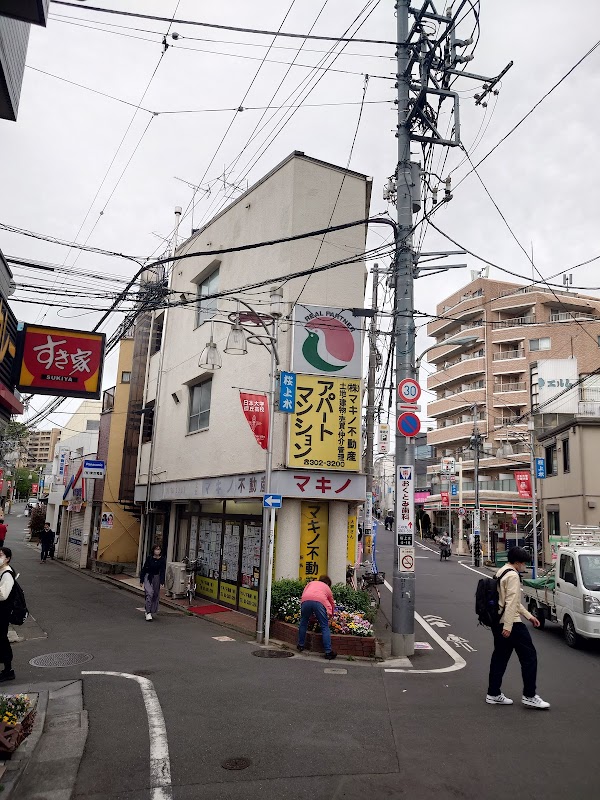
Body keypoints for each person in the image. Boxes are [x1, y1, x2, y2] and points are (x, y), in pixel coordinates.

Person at [486, 546, 550, 709]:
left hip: (498, 621)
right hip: (511, 624)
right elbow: (512, 601)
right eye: (523, 563)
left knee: (499, 658)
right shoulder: (513, 575)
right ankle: (529, 695)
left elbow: (511, 601)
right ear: (517, 562)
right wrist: (508, 626)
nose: (525, 566)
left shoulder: (502, 571)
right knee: (529, 657)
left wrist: (529, 616)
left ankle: (493, 693)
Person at [297, 575, 337, 660]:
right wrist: (331, 614)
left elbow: (304, 594)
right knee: (324, 626)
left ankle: (300, 645)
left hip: (305, 600)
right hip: (320, 602)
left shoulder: (311, 583)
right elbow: (331, 603)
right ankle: (328, 652)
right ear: (327, 583)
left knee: (303, 622)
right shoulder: (326, 587)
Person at [0, 547, 15, 682]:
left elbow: (3, 595)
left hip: (2, 614)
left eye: (0, 555)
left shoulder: (7, 574)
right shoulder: (1, 571)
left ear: (7, 559)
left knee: (2, 640)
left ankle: (8, 670)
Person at [140, 545, 166, 621]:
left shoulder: (162, 560)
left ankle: (151, 610)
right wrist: (141, 580)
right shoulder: (149, 558)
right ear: (153, 550)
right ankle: (148, 612)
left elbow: (162, 570)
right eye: (156, 549)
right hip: (148, 576)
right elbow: (144, 569)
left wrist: (162, 581)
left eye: (159, 549)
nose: (157, 551)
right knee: (149, 593)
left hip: (156, 577)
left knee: (155, 595)